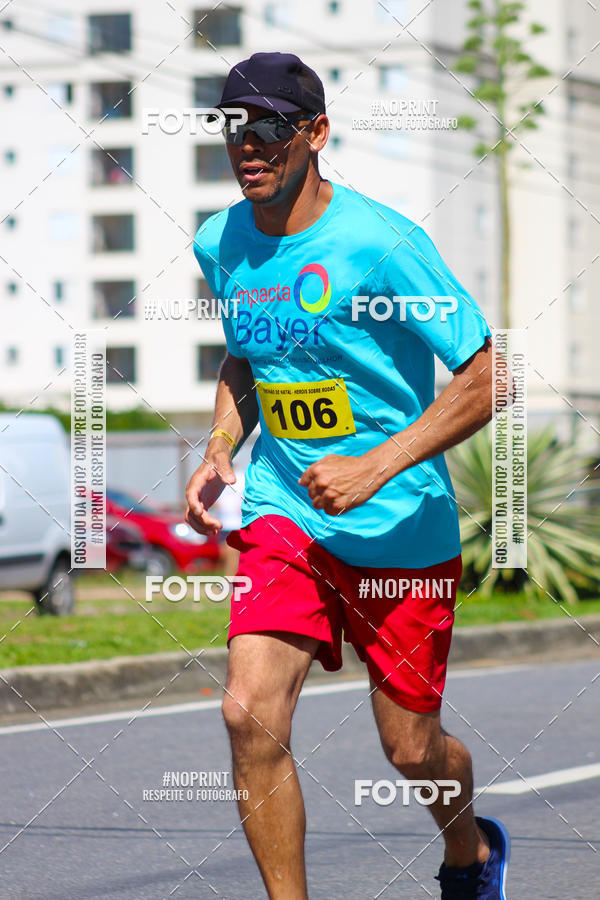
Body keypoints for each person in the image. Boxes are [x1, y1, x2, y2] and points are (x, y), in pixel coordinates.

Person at [186, 51, 510, 900]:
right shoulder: (219, 241)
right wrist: (222, 442)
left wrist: (378, 464)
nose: (246, 144)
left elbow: (485, 375)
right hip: (287, 513)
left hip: (400, 525)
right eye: (230, 125)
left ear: (315, 133)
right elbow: (248, 355)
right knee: (246, 711)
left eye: (266, 126)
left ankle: (470, 851)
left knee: (410, 747)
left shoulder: (383, 243)